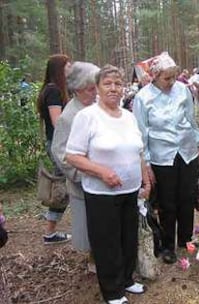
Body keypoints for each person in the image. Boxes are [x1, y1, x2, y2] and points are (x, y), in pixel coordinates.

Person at [66, 65, 148, 304]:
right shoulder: (88, 116)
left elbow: (138, 151)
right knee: (107, 241)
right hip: (101, 193)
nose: (114, 88)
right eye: (108, 84)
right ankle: (112, 291)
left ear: (124, 88)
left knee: (128, 238)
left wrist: (145, 178)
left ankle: (127, 280)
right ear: (98, 88)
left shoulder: (129, 116)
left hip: (130, 190)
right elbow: (72, 156)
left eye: (118, 84)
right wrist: (102, 172)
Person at [133, 52, 199, 265]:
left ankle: (185, 239)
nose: (171, 82)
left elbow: (191, 120)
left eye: (174, 77)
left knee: (187, 197)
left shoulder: (182, 90)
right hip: (161, 157)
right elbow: (141, 132)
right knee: (167, 203)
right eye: (167, 78)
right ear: (154, 76)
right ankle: (167, 246)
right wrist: (145, 164)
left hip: (187, 152)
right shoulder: (143, 98)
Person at [51, 61, 100, 272]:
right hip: (85, 183)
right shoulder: (69, 116)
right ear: (78, 89)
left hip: (103, 180)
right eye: (91, 89)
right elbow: (60, 153)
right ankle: (94, 260)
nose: (96, 92)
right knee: (90, 226)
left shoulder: (96, 107)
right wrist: (84, 173)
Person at [36, 54, 72, 245]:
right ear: (59, 69)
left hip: (59, 143)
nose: (71, 68)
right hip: (59, 145)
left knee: (64, 186)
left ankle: (51, 231)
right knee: (61, 188)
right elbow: (57, 122)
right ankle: (50, 232)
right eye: (68, 66)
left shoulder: (55, 90)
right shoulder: (53, 91)